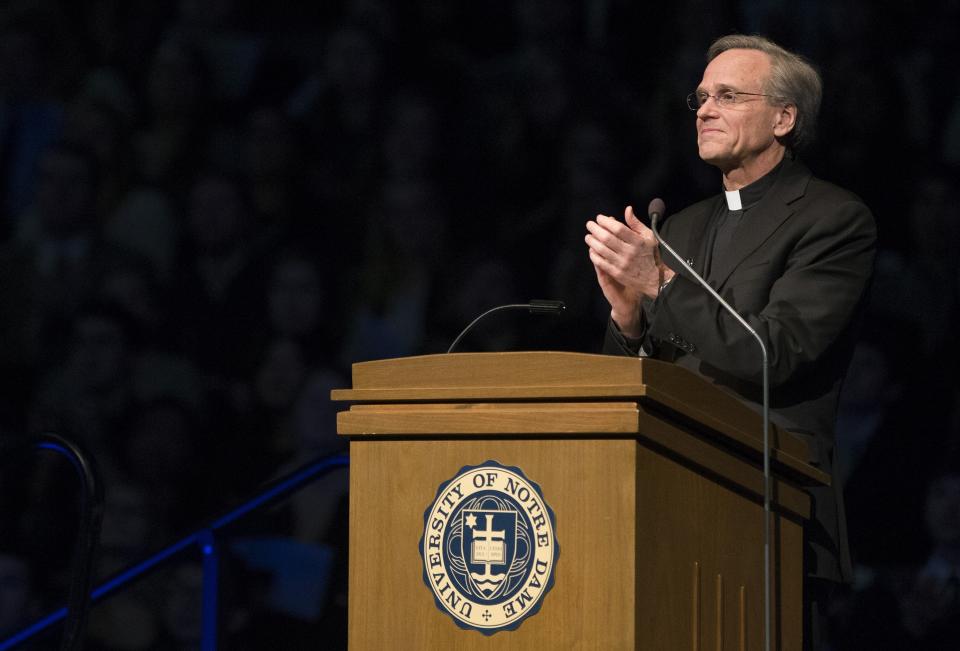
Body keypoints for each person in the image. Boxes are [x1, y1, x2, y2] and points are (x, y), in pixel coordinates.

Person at [584, 34, 876, 649]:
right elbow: (632, 387)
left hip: (770, 510)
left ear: (783, 118)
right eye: (700, 97)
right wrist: (628, 318)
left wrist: (661, 284)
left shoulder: (832, 219)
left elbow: (772, 353)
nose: (704, 110)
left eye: (726, 96)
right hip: (668, 505)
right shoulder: (683, 225)